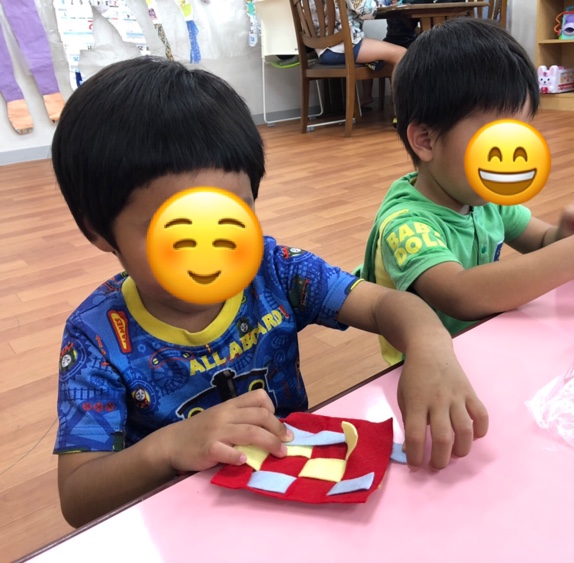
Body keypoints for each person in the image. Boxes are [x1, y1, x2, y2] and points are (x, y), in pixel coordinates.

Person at [51, 56, 487, 527]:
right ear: (99, 231)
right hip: (187, 524)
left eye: (231, 218)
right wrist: (169, 446)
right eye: (176, 233)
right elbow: (79, 498)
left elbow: (385, 304)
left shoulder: (273, 270)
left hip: (290, 494)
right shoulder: (96, 337)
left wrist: (429, 345)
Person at [360, 19, 574, 365]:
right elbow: (460, 293)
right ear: (425, 140)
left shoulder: (484, 199)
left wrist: (565, 233)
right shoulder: (405, 225)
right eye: (496, 137)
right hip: (432, 371)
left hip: (489, 347)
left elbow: (541, 242)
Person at [309, 0, 405, 107]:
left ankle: (368, 96)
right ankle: (402, 111)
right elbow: (367, 11)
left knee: (375, 51)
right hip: (343, 46)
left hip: (322, 51)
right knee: (402, 54)